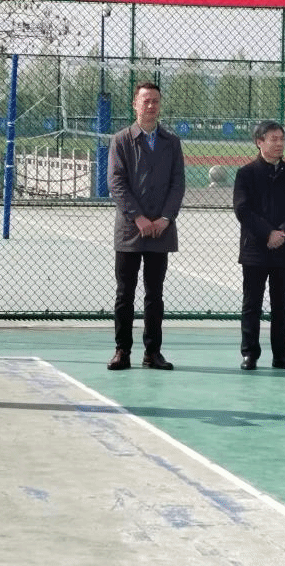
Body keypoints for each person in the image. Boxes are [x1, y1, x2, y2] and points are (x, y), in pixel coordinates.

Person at [107, 82, 185, 371]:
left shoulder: (171, 142)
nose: (151, 106)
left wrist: (165, 218)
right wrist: (137, 217)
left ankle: (152, 352)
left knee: (154, 295)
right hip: (130, 231)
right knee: (125, 294)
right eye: (146, 101)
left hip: (161, 231)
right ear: (135, 105)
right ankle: (122, 351)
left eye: (155, 101)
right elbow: (116, 183)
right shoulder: (121, 140)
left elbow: (177, 184)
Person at [233, 120, 285, 371]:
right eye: (273, 139)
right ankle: (250, 354)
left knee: (281, 305)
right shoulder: (246, 174)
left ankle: (282, 356)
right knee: (252, 304)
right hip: (255, 249)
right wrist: (267, 233)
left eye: (282, 139)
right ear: (260, 142)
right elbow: (243, 209)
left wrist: (282, 232)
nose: (279, 144)